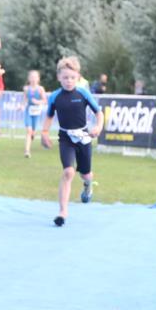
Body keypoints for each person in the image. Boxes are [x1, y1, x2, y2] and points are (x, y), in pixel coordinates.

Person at [40, 56, 104, 227]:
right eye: (65, 77)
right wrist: (44, 132)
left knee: (85, 174)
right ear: (59, 77)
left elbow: (99, 113)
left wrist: (98, 127)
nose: (69, 81)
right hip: (66, 138)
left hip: (83, 137)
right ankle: (62, 212)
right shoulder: (55, 96)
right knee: (68, 172)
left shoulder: (83, 93)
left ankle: (88, 185)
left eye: (72, 77)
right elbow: (49, 116)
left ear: (78, 77)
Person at [22, 70, 47, 158]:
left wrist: (38, 102)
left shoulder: (40, 89)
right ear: (29, 78)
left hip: (36, 112)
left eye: (35, 77)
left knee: (33, 132)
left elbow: (44, 100)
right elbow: (24, 100)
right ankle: (27, 151)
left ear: (38, 79)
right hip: (28, 111)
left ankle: (32, 135)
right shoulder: (26, 88)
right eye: (31, 77)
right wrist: (21, 106)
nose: (33, 79)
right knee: (28, 131)